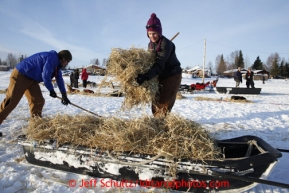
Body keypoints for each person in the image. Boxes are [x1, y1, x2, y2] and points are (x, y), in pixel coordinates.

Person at [0, 50, 72, 134]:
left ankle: (35, 127)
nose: (67, 64)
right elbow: (45, 76)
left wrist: (64, 95)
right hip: (21, 75)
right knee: (11, 102)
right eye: (68, 61)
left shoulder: (57, 66)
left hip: (31, 79)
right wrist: (51, 90)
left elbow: (59, 79)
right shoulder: (52, 58)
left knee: (38, 101)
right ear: (63, 59)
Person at [135, 13, 182, 117]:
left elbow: (159, 64)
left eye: (154, 33)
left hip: (172, 75)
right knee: (155, 105)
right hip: (160, 75)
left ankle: (163, 127)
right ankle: (158, 124)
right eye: (150, 34)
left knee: (163, 105)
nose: (152, 36)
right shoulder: (150, 45)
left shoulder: (166, 44)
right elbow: (150, 62)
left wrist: (146, 76)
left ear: (159, 32)